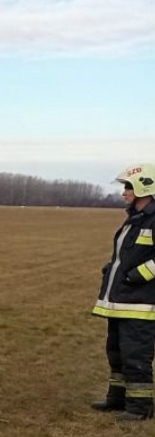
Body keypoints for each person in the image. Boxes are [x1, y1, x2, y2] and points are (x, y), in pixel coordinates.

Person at [92, 164, 155, 421]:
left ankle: (140, 408)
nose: (124, 193)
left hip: (140, 303)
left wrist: (137, 275)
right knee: (116, 352)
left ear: (144, 188)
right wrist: (112, 270)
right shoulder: (133, 218)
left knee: (135, 355)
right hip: (121, 301)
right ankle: (116, 399)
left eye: (128, 188)